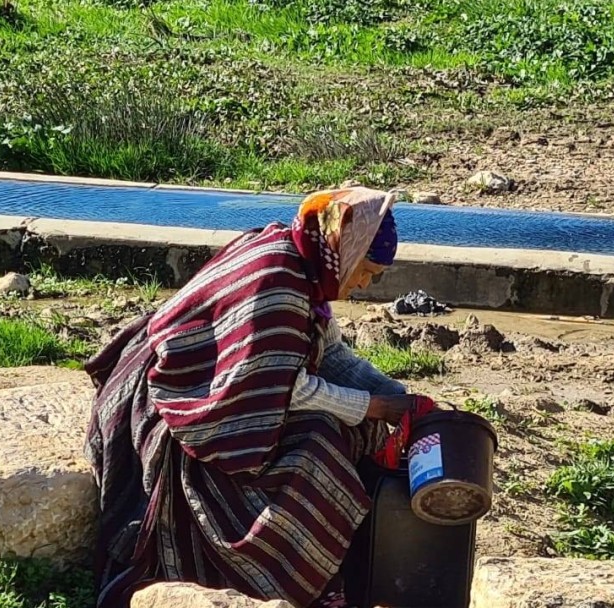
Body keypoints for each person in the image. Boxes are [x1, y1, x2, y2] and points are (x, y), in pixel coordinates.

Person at [83, 186, 423, 608]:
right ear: (344, 246)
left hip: (240, 393)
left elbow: (331, 354)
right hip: (184, 400)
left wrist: (398, 397)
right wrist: (369, 406)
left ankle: (331, 568)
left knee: (354, 430)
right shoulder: (277, 279)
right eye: (366, 270)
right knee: (317, 453)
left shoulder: (305, 265)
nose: (365, 284)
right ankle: (283, 579)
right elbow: (276, 387)